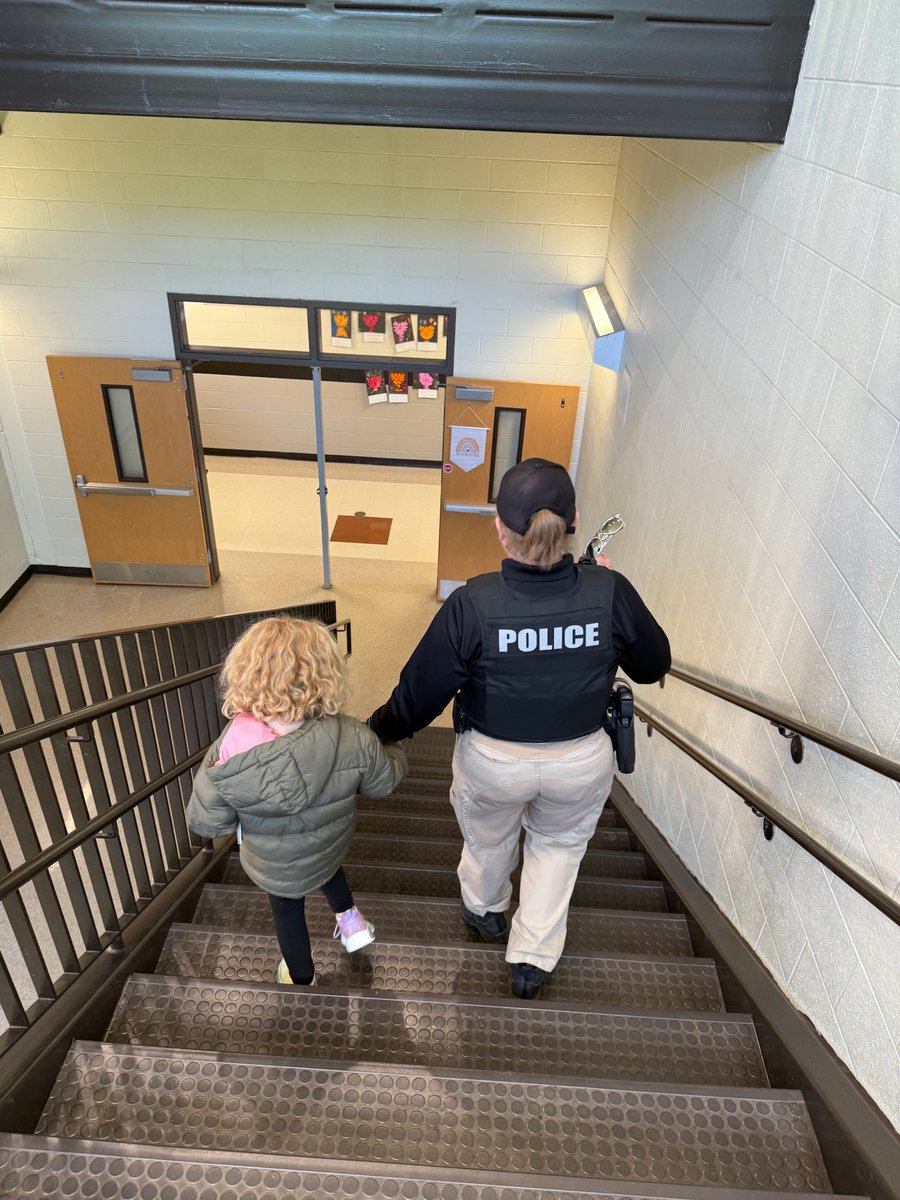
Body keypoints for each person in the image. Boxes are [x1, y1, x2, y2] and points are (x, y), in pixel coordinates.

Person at [368, 458, 670, 1000]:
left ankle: (485, 911)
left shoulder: (473, 603)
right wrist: (603, 585)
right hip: (580, 759)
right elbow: (653, 664)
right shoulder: (609, 591)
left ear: (501, 530)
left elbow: (419, 694)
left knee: (487, 839)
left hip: (492, 761)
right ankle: (531, 960)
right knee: (557, 849)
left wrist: (378, 732)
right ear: (574, 520)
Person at [187, 616, 407, 985]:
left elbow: (208, 822)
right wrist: (394, 748)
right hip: (328, 846)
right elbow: (382, 782)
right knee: (328, 870)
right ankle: (352, 924)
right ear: (325, 675)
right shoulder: (353, 736)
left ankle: (301, 976)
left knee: (287, 914)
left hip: (274, 864)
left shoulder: (230, 748)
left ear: (246, 673)